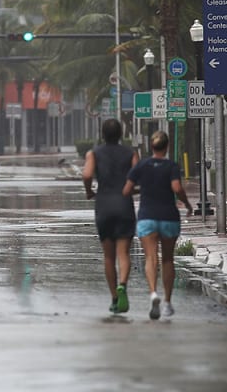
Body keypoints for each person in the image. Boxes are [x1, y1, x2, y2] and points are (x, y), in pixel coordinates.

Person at [123, 130, 194, 320]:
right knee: (168, 260)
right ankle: (168, 302)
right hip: (169, 217)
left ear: (151, 147)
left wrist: (144, 188)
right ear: (167, 146)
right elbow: (177, 188)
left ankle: (153, 293)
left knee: (150, 257)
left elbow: (127, 189)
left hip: (147, 217)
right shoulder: (171, 166)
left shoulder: (142, 165)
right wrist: (187, 204)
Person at [82, 119, 139, 314]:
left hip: (104, 204)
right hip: (124, 204)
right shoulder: (131, 153)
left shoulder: (94, 153)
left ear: (102, 134)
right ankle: (123, 283)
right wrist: (131, 189)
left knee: (108, 256)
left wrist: (89, 191)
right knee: (123, 252)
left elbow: (87, 175)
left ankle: (115, 296)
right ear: (121, 134)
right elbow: (137, 175)